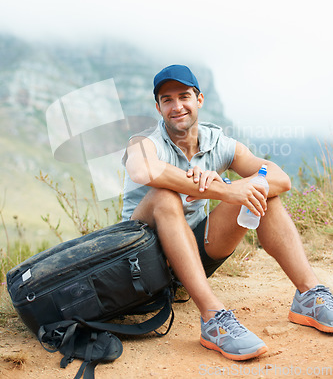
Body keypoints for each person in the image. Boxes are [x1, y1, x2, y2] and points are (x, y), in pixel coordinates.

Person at [121, 64, 333, 361]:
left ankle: (310, 296)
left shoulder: (218, 143)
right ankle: (213, 319)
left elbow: (280, 178)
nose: (177, 106)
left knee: (261, 191)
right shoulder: (144, 143)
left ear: (200, 99)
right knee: (164, 197)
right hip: (141, 264)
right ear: (158, 108)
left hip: (192, 257)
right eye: (167, 100)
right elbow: (142, 169)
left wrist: (237, 184)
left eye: (184, 96)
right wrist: (222, 191)